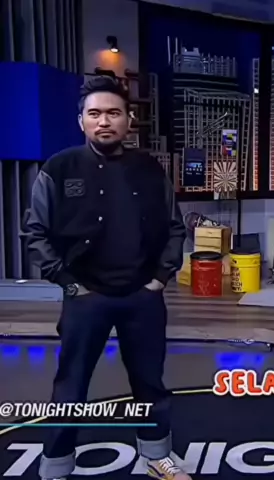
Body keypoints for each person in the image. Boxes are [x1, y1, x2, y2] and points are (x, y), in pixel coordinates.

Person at [22, 76, 190, 480]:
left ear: (128, 120)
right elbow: (34, 233)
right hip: (85, 296)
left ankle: (157, 457)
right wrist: (68, 282)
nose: (104, 121)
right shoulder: (58, 168)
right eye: (94, 113)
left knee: (150, 384)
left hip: (142, 296)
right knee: (71, 387)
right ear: (80, 120)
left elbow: (174, 226)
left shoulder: (149, 168)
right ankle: (55, 466)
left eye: (113, 113)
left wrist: (159, 279)